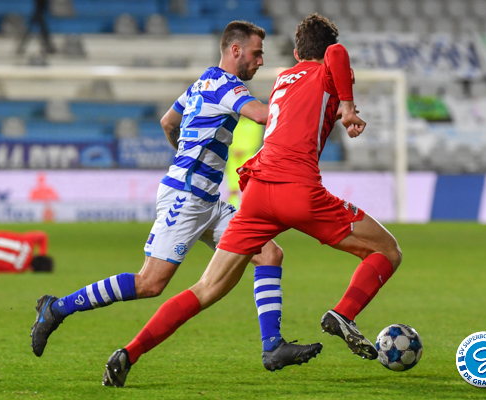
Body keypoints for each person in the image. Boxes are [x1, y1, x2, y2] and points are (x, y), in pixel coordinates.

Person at [102, 13, 403, 388]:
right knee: (387, 251)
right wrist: (348, 106)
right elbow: (338, 54)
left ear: (296, 53)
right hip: (299, 189)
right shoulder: (329, 70)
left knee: (207, 288)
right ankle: (344, 313)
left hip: (258, 192)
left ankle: (129, 353)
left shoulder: (282, 80)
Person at [30, 20, 322, 372]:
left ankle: (272, 346)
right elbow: (262, 116)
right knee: (150, 283)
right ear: (235, 50)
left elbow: (169, 121)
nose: (260, 61)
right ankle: (56, 308)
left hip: (207, 199)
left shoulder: (203, 82)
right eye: (256, 53)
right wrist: (305, 96)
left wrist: (186, 154)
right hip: (186, 197)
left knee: (269, 253)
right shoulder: (226, 86)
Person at [225, 116, 263, 209]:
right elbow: (227, 137)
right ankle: (232, 208)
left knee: (248, 184)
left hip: (247, 157)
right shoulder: (232, 123)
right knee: (233, 186)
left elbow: (256, 141)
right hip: (233, 157)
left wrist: (244, 151)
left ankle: (247, 208)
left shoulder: (255, 124)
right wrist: (233, 149)